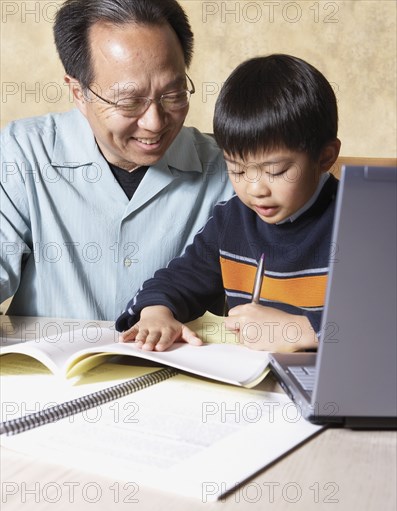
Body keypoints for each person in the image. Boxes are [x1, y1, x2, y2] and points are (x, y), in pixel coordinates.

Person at [0, 0, 233, 320]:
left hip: (177, 369)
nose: (154, 122)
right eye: (129, 101)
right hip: (51, 369)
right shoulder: (24, 151)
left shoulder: (232, 167)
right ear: (79, 92)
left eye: (173, 94)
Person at [116, 54, 341, 352]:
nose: (255, 189)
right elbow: (179, 278)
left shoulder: (358, 221)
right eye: (236, 169)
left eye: (276, 171)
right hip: (248, 384)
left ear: (325, 157)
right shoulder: (232, 219)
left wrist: (301, 330)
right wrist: (156, 312)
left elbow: (380, 321)